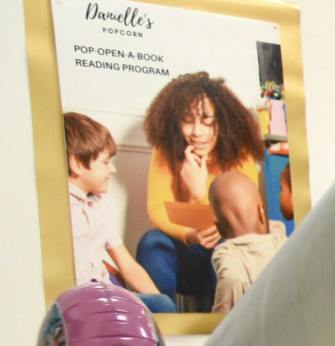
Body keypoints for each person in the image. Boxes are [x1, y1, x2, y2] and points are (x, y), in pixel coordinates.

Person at [135, 71, 263, 312]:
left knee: (227, 247)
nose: (197, 132)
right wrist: (189, 235)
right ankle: (163, 323)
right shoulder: (165, 151)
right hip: (185, 250)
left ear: (222, 122)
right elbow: (156, 211)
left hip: (225, 250)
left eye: (207, 121)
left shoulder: (241, 155)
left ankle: (216, 327)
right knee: (152, 243)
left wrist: (198, 192)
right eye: (188, 121)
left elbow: (242, 221)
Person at [62, 112, 175, 313]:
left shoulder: (99, 206)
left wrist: (161, 304)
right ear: (77, 164)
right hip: (81, 304)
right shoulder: (60, 208)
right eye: (105, 162)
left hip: (108, 294)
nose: (112, 169)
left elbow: (128, 265)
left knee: (162, 304)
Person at [207, 169, 287, 315]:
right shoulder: (282, 242)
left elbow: (230, 281)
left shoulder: (228, 255)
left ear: (219, 228)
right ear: (262, 212)